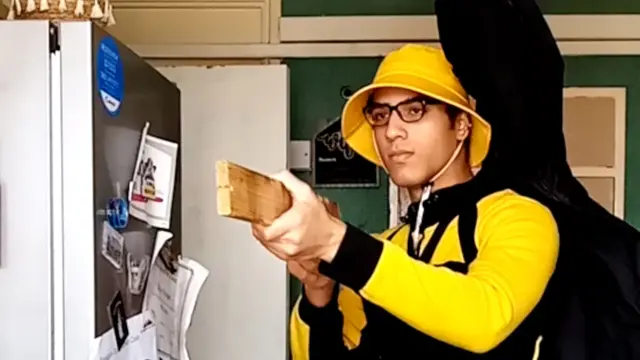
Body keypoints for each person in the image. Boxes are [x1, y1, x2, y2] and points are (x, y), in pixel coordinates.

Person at [251, 42, 560, 359]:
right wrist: (320, 290)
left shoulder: (517, 218)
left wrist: (333, 241)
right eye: (381, 115)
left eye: (415, 110)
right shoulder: (386, 246)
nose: (391, 131)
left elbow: (487, 318)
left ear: (462, 125)